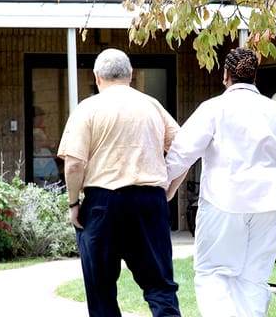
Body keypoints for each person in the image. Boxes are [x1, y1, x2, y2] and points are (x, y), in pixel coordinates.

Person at [164, 47, 276, 317]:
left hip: (223, 202)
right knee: (254, 280)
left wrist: (161, 187)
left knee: (212, 273)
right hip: (270, 205)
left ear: (226, 75)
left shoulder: (214, 108)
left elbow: (181, 153)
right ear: (254, 76)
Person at [57, 48, 182, 317]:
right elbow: (184, 150)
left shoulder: (88, 108)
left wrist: (73, 204)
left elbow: (75, 163)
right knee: (160, 286)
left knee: (101, 290)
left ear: (96, 77)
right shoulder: (151, 105)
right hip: (149, 201)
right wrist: (170, 188)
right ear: (131, 75)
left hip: (103, 202)